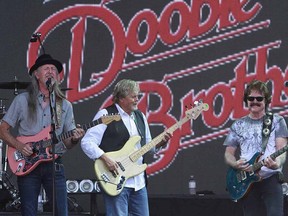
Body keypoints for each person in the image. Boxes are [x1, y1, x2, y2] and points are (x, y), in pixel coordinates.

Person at [0, 54, 85, 216]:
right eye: (46, 68)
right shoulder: (22, 100)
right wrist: (19, 146)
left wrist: (75, 138)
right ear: (36, 75)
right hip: (27, 164)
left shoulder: (64, 105)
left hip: (53, 164)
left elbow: (67, 143)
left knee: (61, 211)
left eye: (54, 69)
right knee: (29, 212)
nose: (51, 71)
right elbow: (2, 129)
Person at [81, 79, 171, 216]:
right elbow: (87, 142)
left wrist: (160, 143)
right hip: (116, 180)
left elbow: (148, 146)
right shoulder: (106, 115)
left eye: (138, 96)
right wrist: (105, 158)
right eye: (133, 96)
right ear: (121, 98)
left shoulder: (140, 116)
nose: (137, 99)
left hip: (139, 182)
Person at [224, 79, 288, 216]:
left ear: (266, 101)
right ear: (246, 100)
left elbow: (282, 151)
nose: (254, 101)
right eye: (251, 98)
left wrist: (276, 164)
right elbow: (228, 154)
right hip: (246, 181)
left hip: (271, 178)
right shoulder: (238, 125)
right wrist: (235, 164)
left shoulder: (277, 121)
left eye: (259, 98)